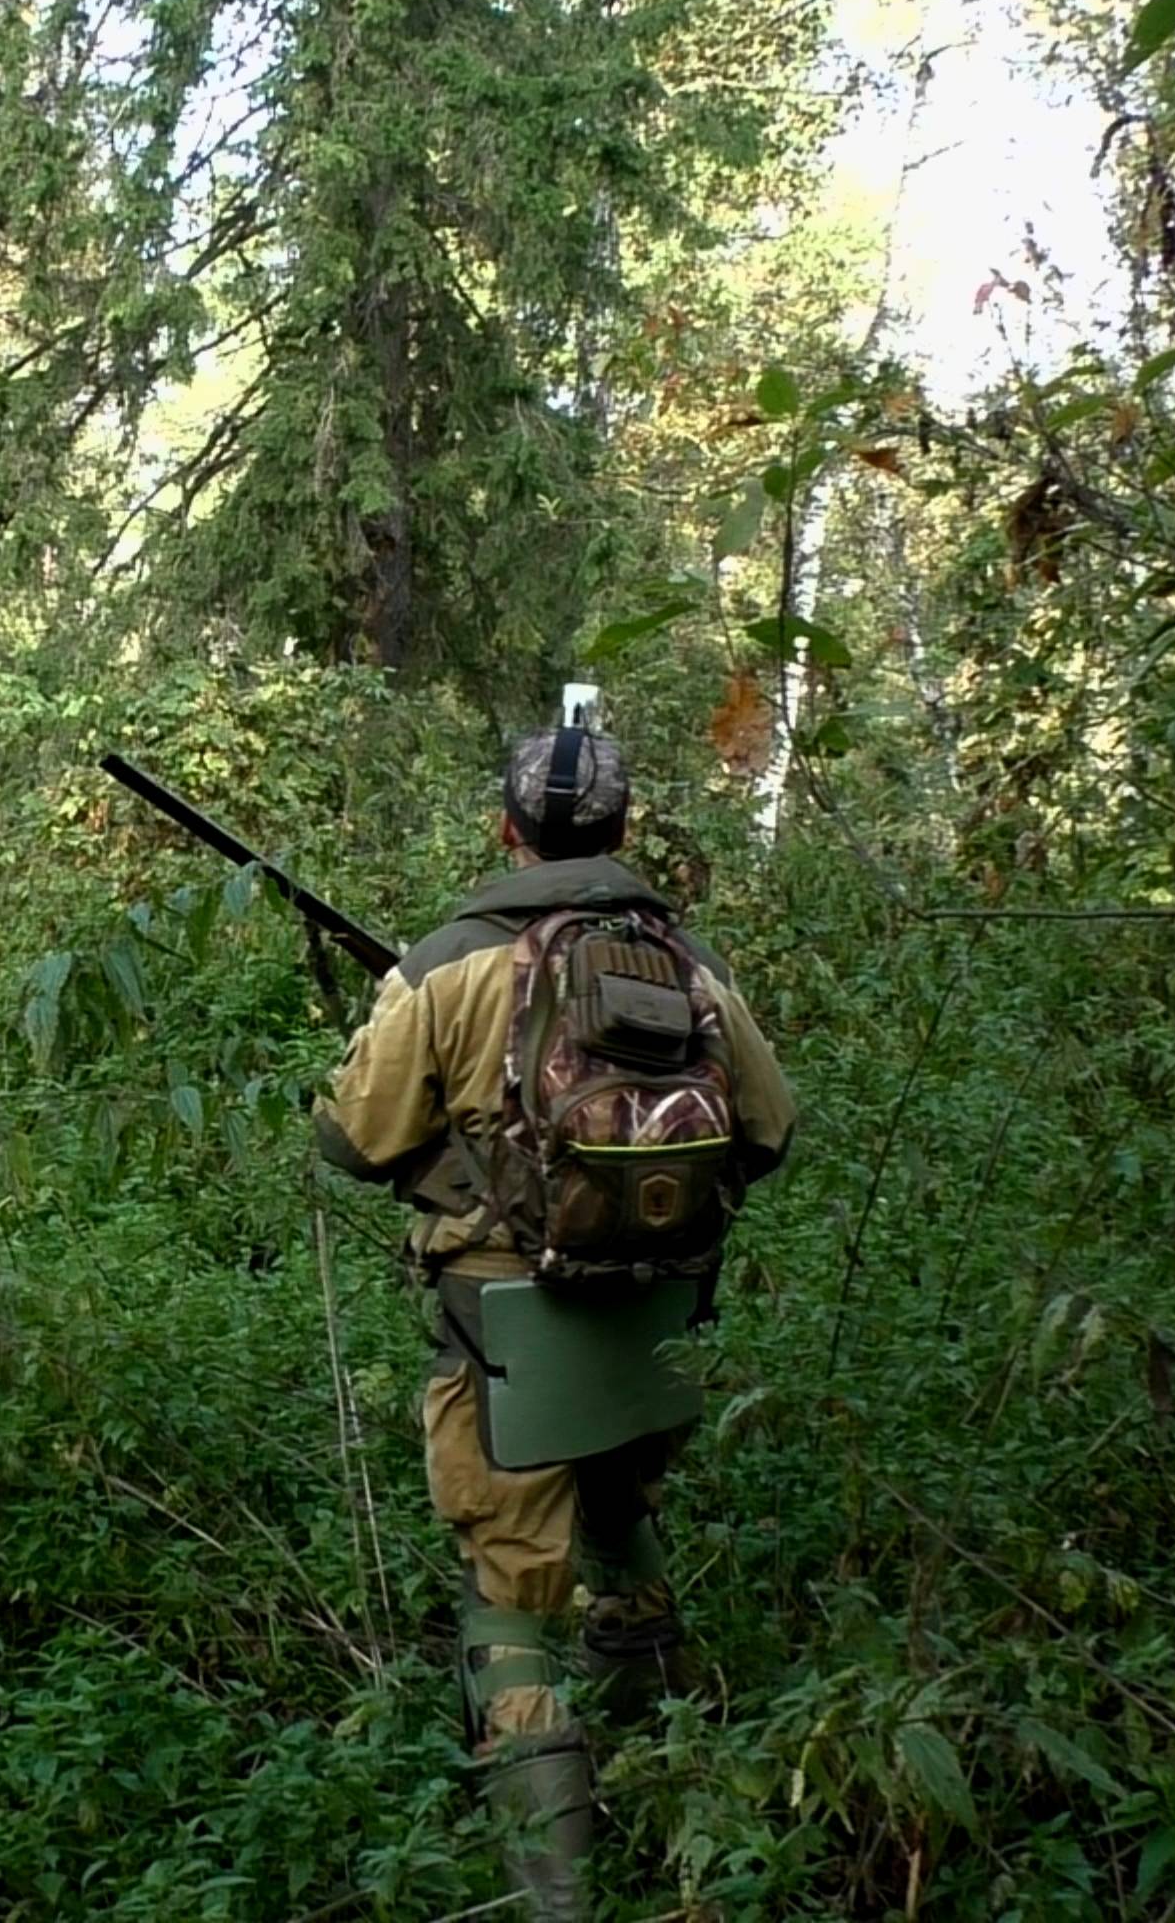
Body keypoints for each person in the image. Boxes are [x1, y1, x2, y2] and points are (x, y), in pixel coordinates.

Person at [312, 723, 796, 1918]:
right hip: (661, 1320)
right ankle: (677, 1771)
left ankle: (553, 1896)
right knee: (624, 1509)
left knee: (511, 1585)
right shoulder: (690, 965)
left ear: (507, 831)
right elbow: (773, 1133)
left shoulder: (447, 965)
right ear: (625, 832)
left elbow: (352, 1142)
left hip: (505, 1324)